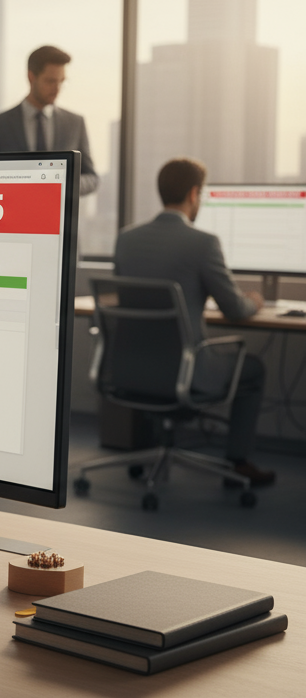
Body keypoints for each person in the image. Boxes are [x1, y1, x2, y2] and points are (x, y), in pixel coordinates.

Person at [113, 157, 274, 486]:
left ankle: (146, 449)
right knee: (253, 369)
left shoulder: (126, 239)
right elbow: (235, 309)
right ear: (193, 193)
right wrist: (255, 301)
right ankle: (238, 464)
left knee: (162, 359)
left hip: (131, 369)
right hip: (186, 371)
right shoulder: (203, 243)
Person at [0, 45, 98, 196]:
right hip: (11, 215)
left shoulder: (75, 123)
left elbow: (92, 178)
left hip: (61, 218)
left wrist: (64, 185)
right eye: (50, 81)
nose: (57, 89)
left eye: (61, 81)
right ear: (31, 77)